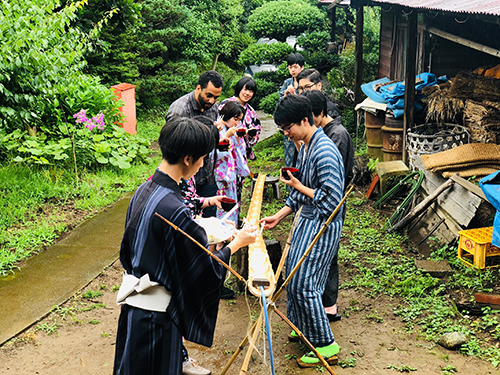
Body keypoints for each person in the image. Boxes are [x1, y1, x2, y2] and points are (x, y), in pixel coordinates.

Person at [113, 117, 257, 375]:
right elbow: (201, 270)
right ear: (188, 159)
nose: (203, 164)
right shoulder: (174, 209)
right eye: (202, 158)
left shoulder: (143, 191)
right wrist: (238, 242)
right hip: (157, 321)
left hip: (133, 313)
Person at [260, 95, 344, 367]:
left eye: (288, 128)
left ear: (305, 120)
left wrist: (297, 186)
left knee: (306, 284)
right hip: (306, 219)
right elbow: (300, 193)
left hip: (322, 224)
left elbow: (332, 201)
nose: (286, 133)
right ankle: (303, 327)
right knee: (292, 278)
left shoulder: (325, 151)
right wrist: (279, 216)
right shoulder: (306, 146)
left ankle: (324, 344)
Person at [301, 90, 355, 322]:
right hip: (317, 201)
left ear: (319, 114)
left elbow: (332, 181)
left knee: (328, 254)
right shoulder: (323, 133)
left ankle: (329, 306)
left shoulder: (337, 135)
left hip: (330, 204)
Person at [166, 71, 224, 217]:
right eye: (208, 95)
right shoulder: (179, 110)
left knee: (210, 218)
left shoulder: (213, 108)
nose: (212, 101)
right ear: (198, 88)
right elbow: (172, 147)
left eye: (216, 97)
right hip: (184, 177)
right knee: (186, 218)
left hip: (206, 173)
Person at [215, 101, 249, 224]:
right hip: (221, 176)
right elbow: (216, 155)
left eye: (239, 120)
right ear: (226, 114)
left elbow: (239, 150)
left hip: (231, 175)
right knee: (221, 205)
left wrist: (238, 138)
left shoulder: (229, 129)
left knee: (231, 203)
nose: (237, 122)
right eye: (235, 119)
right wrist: (227, 137)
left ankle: (229, 232)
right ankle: (220, 236)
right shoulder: (217, 128)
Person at [219, 76, 261, 161]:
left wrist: (251, 134)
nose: (247, 93)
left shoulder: (251, 111)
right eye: (245, 89)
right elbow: (217, 123)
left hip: (240, 151)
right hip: (224, 149)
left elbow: (257, 129)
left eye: (251, 91)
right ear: (239, 89)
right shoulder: (225, 104)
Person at [278, 53, 305, 169]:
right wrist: (285, 96)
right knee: (290, 159)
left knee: (304, 156)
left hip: (303, 126)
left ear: (302, 67)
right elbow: (279, 106)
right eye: (290, 67)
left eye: (295, 67)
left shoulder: (305, 82)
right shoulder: (286, 83)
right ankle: (290, 185)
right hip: (289, 128)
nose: (293, 70)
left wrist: (295, 97)